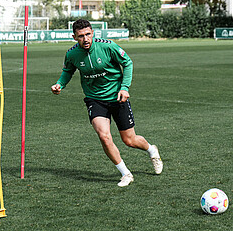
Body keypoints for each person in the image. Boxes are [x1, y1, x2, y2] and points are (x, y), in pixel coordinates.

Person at [51, 19, 163, 187]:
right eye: (81, 36)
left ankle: (151, 150)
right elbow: (68, 70)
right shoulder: (72, 54)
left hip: (118, 97)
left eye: (88, 34)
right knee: (104, 135)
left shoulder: (108, 46)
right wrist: (60, 84)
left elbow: (127, 62)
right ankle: (126, 174)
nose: (86, 39)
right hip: (94, 99)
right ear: (74, 37)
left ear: (93, 33)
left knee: (129, 140)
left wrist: (124, 88)